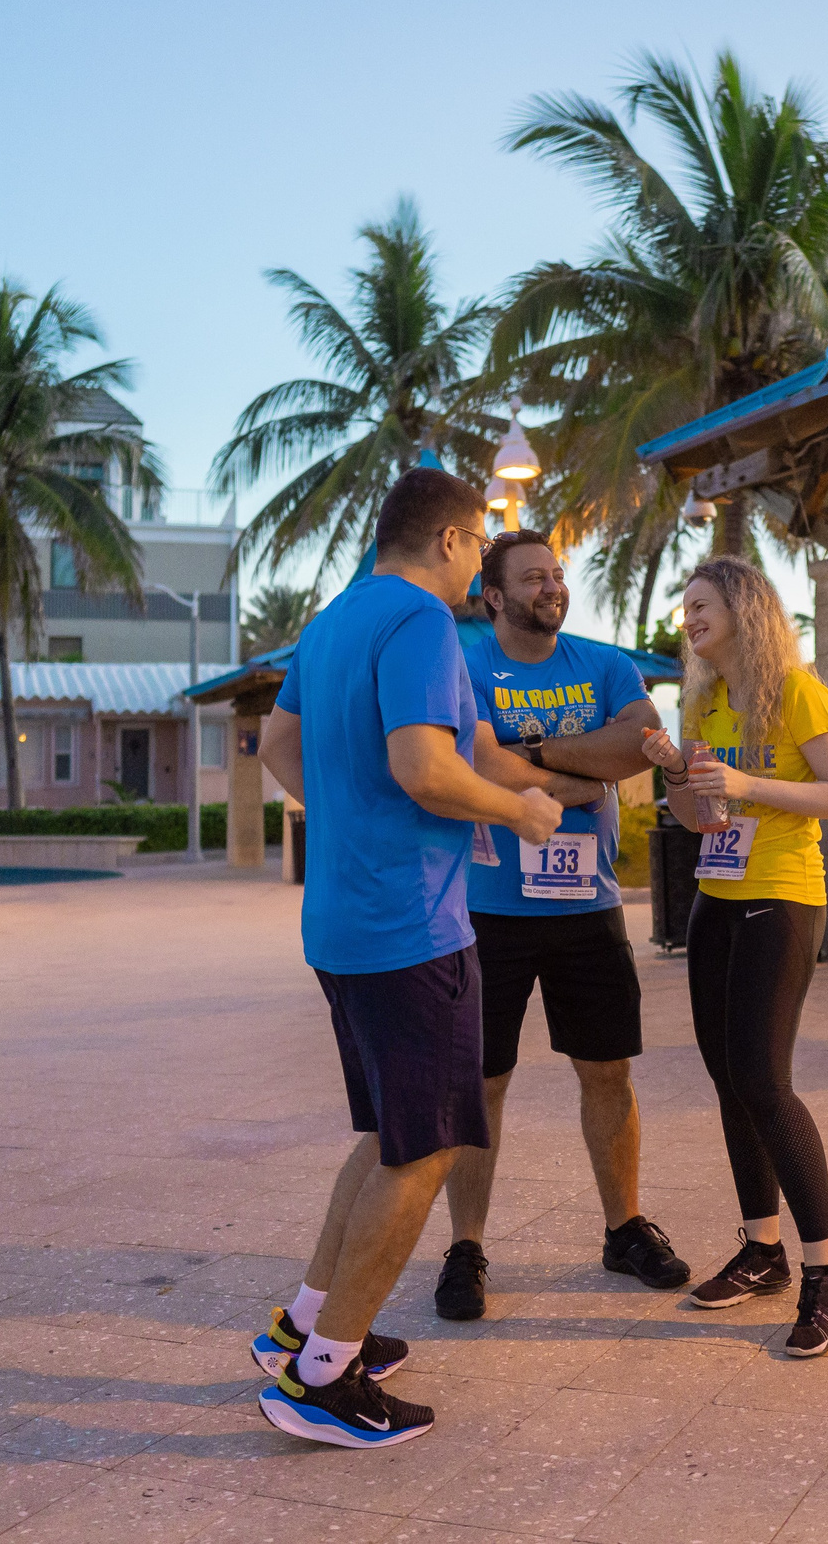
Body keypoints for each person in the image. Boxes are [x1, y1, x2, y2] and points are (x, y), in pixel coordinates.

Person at [253, 468, 562, 1449]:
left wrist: (344, 820)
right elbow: (427, 768)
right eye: (476, 548)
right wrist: (522, 811)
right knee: (424, 1148)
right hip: (409, 927)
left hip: (340, 919)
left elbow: (277, 743)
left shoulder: (332, 619)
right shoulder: (423, 620)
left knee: (390, 1130)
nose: (477, 567)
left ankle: (307, 1319)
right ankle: (324, 1376)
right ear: (450, 540)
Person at [434, 528, 688, 1320]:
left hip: (589, 909)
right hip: (485, 911)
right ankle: (467, 1247)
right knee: (482, 1084)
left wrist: (536, 753)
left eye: (557, 574)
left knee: (607, 1071)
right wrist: (579, 772)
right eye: (532, 577)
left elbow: (640, 749)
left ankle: (624, 1229)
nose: (551, 586)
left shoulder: (608, 664)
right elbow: (477, 762)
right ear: (494, 595)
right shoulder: (467, 661)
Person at [639, 556, 828, 1357]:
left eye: (699, 604)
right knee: (728, 1078)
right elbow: (699, 812)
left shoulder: (799, 691)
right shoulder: (706, 698)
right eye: (684, 607)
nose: (688, 619)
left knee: (766, 1082)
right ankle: (763, 1251)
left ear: (743, 606)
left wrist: (746, 783)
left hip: (783, 896)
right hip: (716, 899)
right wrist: (679, 775)